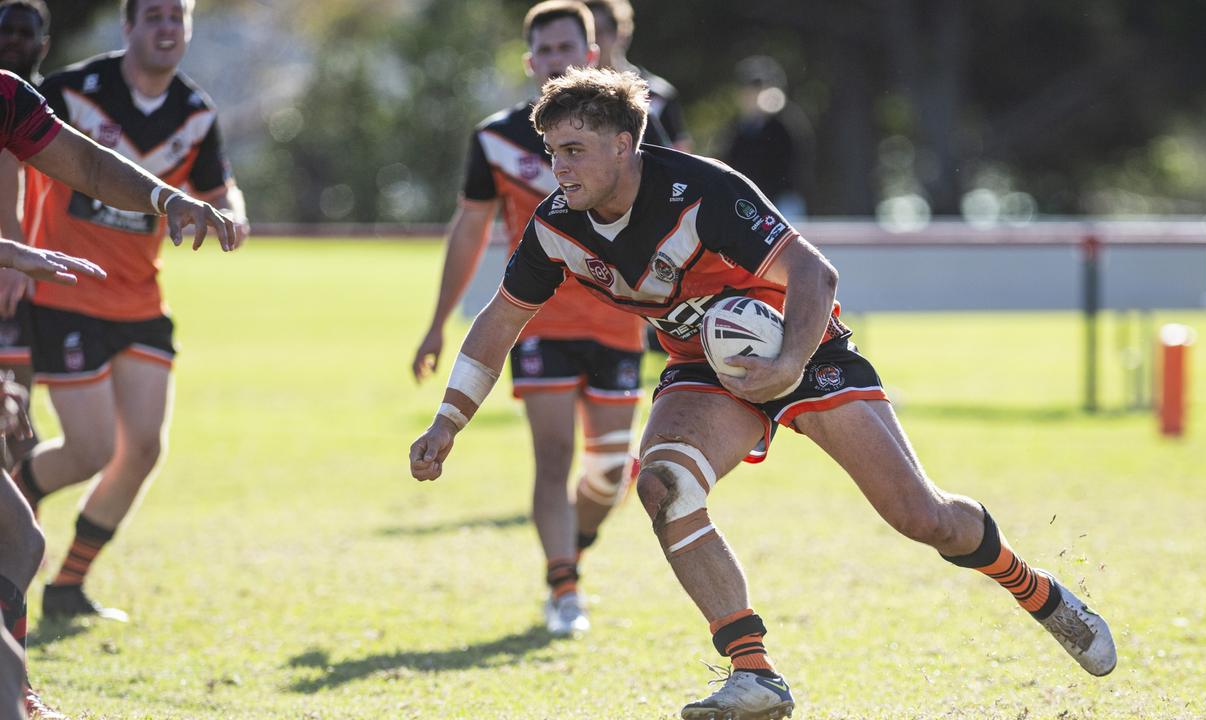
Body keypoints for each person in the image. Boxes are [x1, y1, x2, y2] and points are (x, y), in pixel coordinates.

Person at [409, 67, 1116, 719]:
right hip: (702, 369)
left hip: (803, 347)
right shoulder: (556, 226)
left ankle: (1039, 593)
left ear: (625, 145)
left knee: (923, 517)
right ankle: (755, 672)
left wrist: (785, 365)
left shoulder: (704, 190)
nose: (559, 169)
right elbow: (500, 320)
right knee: (662, 486)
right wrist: (449, 420)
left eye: (575, 149)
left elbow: (817, 277)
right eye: (552, 152)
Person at [411, 0, 670, 637]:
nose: (556, 61)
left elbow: (672, 218)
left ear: (592, 53)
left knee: (609, 475)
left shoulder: (632, 131)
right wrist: (439, 319)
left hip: (616, 324)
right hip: (536, 323)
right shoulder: (494, 138)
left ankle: (571, 550)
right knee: (552, 455)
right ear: (530, 62)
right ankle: (564, 584)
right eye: (544, 52)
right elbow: (469, 230)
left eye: (568, 49)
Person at [0, 60, 234, 720]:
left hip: (133, 305)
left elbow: (93, 166)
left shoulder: (10, 95)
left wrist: (169, 199)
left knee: (18, 540)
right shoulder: (77, 85)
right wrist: (11, 249)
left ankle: (14, 689)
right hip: (71, 307)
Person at [0, 0, 51, 472]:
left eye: (24, 32)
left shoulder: (48, 108)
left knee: (19, 412)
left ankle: (25, 542)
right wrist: (12, 255)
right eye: (5, 30)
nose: (13, 39)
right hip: (10, 273)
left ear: (44, 44)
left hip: (34, 278)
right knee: (11, 414)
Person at [583, 0, 691, 151]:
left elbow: (679, 158)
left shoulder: (658, 94)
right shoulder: (572, 97)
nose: (592, 41)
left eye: (598, 32)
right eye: (586, 34)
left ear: (620, 33)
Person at [721, 55, 814, 219]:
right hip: (749, 201)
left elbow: (794, 167)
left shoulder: (785, 125)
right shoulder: (738, 130)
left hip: (782, 202)